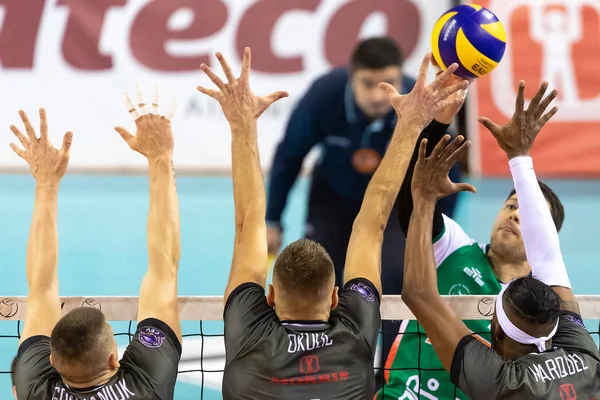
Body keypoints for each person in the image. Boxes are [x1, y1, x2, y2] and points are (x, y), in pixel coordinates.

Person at [197, 48, 467, 399]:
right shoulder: (356, 334)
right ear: (337, 298)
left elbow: (249, 225)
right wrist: (413, 124)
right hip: (331, 198)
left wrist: (241, 123)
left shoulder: (247, 332)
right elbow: (373, 225)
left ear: (271, 296)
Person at [402, 81, 600, 398]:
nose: (516, 215)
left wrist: (424, 194)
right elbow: (549, 259)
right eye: (511, 205)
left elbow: (418, 294)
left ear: (495, 333)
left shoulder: (498, 383)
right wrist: (519, 156)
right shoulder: (583, 359)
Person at [11, 90, 183, 399]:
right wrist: (160, 157)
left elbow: (41, 286)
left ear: (51, 361)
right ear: (113, 359)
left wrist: (46, 184)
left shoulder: (33, 388)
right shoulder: (148, 385)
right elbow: (164, 268)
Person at [266, 37, 461, 297]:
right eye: (368, 84)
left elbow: (446, 174)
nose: (378, 96)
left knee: (395, 275)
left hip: (395, 204)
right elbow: (288, 158)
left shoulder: (424, 105)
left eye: (388, 84)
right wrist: (272, 221)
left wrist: (437, 239)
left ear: (402, 78)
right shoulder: (323, 96)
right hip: (333, 197)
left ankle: (393, 339)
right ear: (351, 77)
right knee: (320, 276)